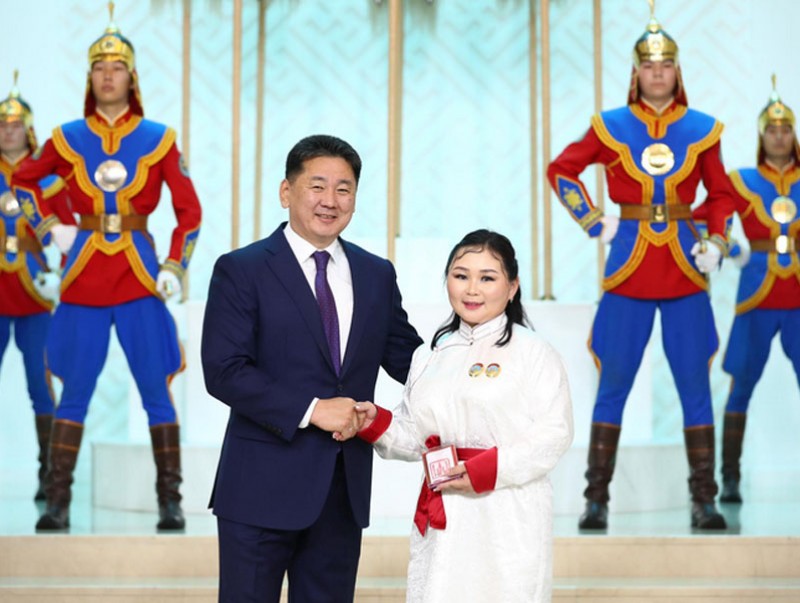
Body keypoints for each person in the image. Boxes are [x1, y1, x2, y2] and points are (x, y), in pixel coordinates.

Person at [201, 134, 422, 603]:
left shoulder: (376, 274)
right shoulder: (242, 269)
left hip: (341, 492)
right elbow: (224, 370)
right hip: (258, 487)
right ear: (287, 192)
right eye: (317, 186)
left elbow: (409, 359)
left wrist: (481, 358)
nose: (330, 200)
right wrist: (313, 409)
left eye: (344, 189)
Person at [546, 5, 734, 530]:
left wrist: (718, 239)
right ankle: (596, 499)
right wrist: (592, 220)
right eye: (649, 65)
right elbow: (561, 170)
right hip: (628, 268)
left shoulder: (702, 129)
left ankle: (704, 499)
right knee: (614, 382)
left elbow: (721, 194)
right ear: (636, 71)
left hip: (686, 269)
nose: (657, 73)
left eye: (666, 64)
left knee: (694, 384)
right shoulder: (609, 126)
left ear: (677, 70)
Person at [16, 6, 202, 531]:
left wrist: (175, 265)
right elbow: (24, 181)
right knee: (74, 390)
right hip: (84, 276)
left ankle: (170, 501)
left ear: (131, 77)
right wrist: (49, 228)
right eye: (99, 67)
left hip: (141, 276)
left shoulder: (160, 138)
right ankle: (57, 502)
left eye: (117, 67)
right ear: (90, 77)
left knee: (154, 387)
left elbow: (189, 212)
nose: (108, 75)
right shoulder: (65, 136)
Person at [353, 229, 573, 602]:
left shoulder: (534, 352)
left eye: (487, 278)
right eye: (461, 275)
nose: (472, 290)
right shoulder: (430, 355)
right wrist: (373, 422)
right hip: (443, 513)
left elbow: (554, 434)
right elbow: (415, 435)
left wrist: (485, 470)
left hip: (507, 512)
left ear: (512, 286)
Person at [700, 79, 800, 504]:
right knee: (740, 384)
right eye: (771, 129)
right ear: (762, 135)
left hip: (797, 297)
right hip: (756, 294)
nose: (779, 136)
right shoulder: (741, 181)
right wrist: (731, 247)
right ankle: (730, 477)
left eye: (785, 128)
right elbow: (708, 216)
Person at [0, 72, 73, 501]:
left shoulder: (46, 177)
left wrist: (61, 274)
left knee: (41, 386)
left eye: (15, 124)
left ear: (27, 128)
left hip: (35, 292)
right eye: (2, 124)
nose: (8, 131)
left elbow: (68, 229)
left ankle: (50, 473)